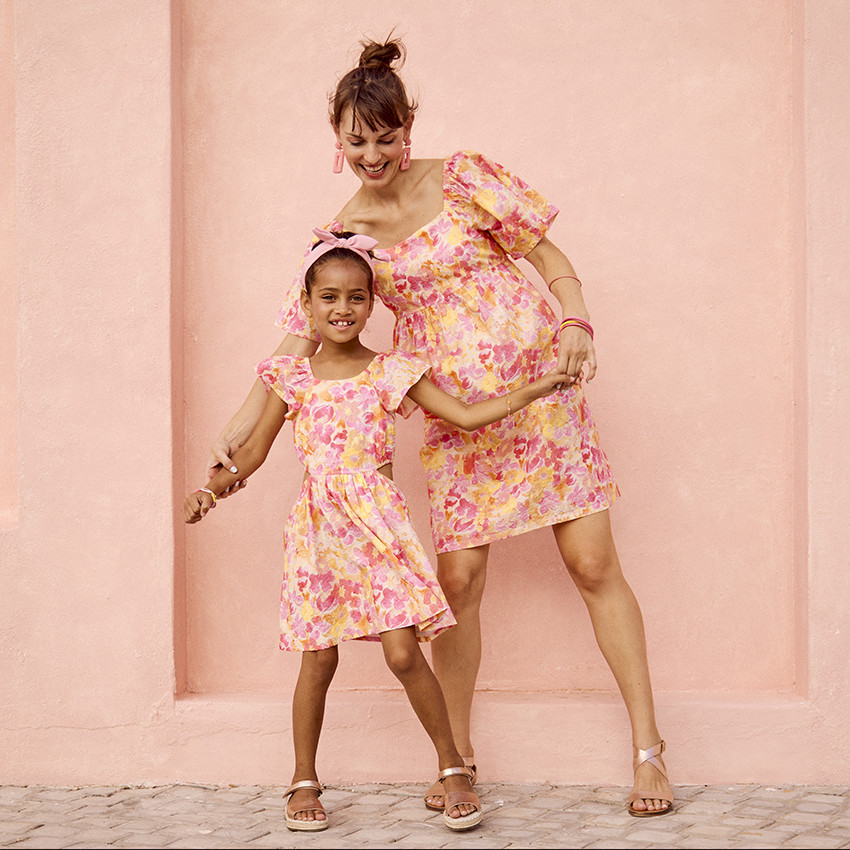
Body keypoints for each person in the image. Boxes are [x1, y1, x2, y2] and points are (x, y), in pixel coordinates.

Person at [206, 37, 674, 817]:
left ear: (407, 129)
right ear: (338, 141)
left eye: (385, 138)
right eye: (357, 142)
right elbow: (299, 339)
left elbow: (546, 254)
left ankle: (649, 751)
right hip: (454, 415)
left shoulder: (463, 178)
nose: (373, 154)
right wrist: (241, 415)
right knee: (457, 583)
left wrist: (576, 319)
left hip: (539, 389)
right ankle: (458, 761)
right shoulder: (343, 234)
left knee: (593, 564)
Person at [185, 230, 571, 831]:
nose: (343, 309)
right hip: (319, 531)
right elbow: (255, 449)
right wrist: (212, 488)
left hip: (379, 524)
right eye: (329, 297)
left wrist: (536, 388)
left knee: (402, 652)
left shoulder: (391, 372)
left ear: (371, 304)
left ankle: (453, 767)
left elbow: (464, 415)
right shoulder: (290, 376)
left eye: (357, 297)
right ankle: (303, 781)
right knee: (318, 659)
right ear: (307, 306)